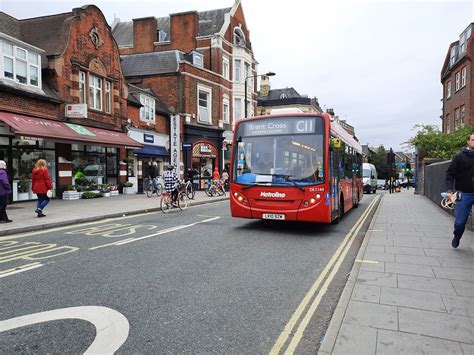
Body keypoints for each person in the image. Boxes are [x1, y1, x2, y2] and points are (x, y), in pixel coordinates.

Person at [445, 131, 474, 248]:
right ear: (468, 142)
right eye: (473, 140)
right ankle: (457, 236)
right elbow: (450, 174)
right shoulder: (459, 157)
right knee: (460, 223)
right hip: (464, 194)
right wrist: (449, 190)